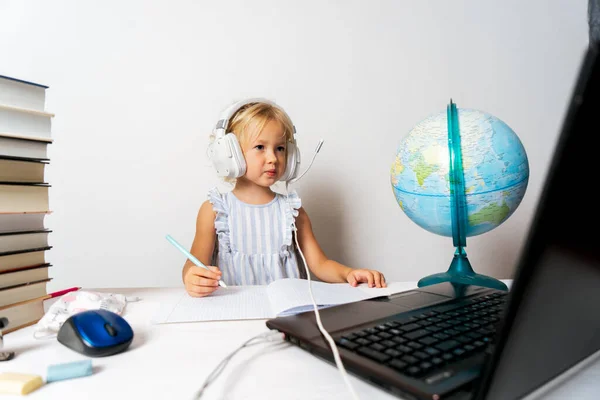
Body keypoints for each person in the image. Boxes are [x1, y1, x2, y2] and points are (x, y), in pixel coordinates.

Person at [182, 99, 386, 297]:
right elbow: (194, 262)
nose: (273, 158)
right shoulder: (215, 210)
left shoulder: (293, 211)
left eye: (280, 148)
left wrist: (349, 273)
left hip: (287, 315)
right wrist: (192, 277)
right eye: (260, 147)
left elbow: (320, 264)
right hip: (234, 310)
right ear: (229, 153)